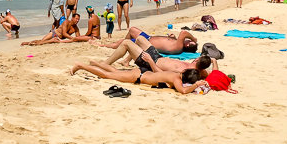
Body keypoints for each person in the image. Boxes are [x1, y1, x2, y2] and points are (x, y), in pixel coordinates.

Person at [99, 37, 214, 79]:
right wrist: (213, 61)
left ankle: (105, 64)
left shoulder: (185, 71)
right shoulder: (202, 71)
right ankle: (126, 60)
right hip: (158, 56)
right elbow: (215, 73)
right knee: (140, 39)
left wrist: (150, 61)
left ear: (197, 60)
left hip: (150, 62)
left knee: (126, 43)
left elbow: (161, 74)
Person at [70, 60, 206, 95]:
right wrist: (196, 85)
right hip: (138, 76)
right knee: (107, 76)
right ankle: (80, 66)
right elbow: (182, 91)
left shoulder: (175, 73)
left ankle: (96, 64)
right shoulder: (177, 80)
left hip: (141, 73)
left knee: (116, 72)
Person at [97, 27, 198, 55]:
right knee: (132, 29)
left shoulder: (179, 47)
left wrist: (194, 39)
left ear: (188, 45)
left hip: (146, 42)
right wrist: (172, 37)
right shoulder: (178, 45)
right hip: (148, 37)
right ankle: (127, 47)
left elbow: (184, 32)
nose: (187, 40)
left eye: (189, 41)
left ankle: (104, 46)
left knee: (122, 42)